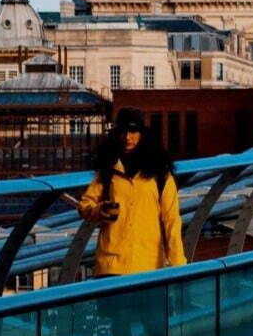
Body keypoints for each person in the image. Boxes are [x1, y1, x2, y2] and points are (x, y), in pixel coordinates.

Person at [78, 108, 187, 277]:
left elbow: (171, 221)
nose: (127, 137)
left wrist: (179, 265)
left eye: (133, 131)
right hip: (111, 266)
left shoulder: (160, 175)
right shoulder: (108, 169)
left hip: (147, 266)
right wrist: (99, 211)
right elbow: (85, 204)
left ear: (143, 133)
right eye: (123, 131)